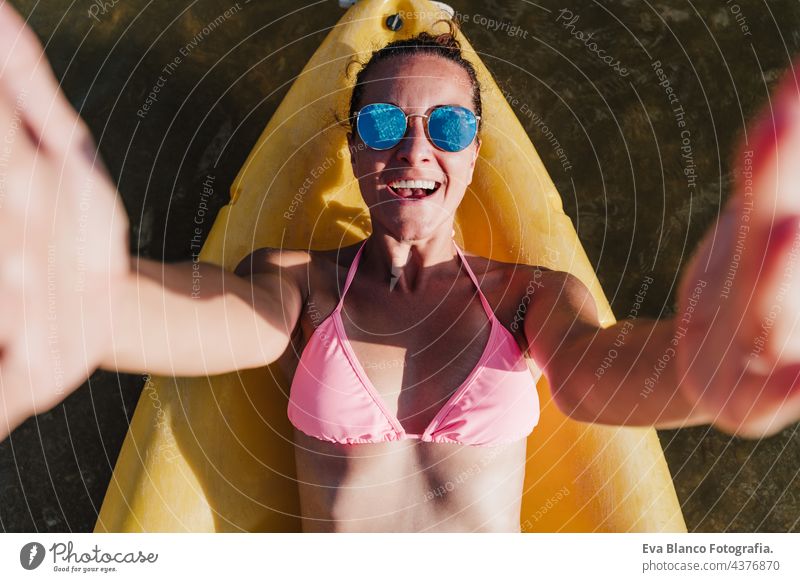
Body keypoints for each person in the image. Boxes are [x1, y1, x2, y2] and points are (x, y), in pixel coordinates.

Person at [1, 5, 799, 532]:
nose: (414, 148)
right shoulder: (302, 283)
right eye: (383, 122)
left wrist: (703, 373)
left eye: (447, 124)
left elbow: (593, 378)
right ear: (354, 149)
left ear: (474, 152)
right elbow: (223, 327)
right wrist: (94, 311)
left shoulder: (531, 298)